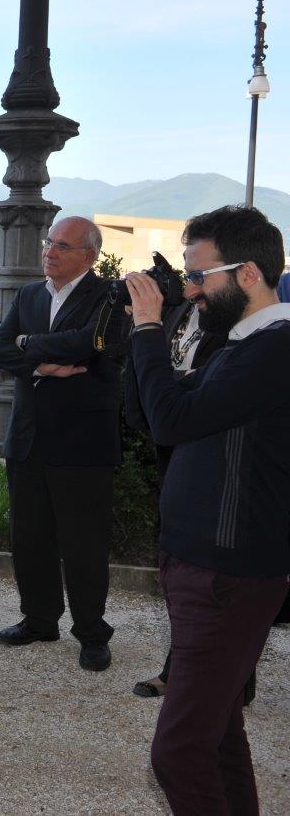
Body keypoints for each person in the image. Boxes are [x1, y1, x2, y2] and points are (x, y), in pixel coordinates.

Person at [123, 205, 290, 814]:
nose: (190, 289)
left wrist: (147, 330)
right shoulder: (242, 346)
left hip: (227, 571)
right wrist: (145, 336)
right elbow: (151, 414)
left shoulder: (272, 351)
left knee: (180, 751)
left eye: (199, 276)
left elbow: (171, 419)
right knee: (218, 732)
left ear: (248, 273)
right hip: (211, 566)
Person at [0, 216, 124, 672]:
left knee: (84, 544)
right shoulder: (29, 294)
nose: (49, 251)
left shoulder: (108, 296)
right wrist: (41, 365)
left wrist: (28, 342)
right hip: (29, 439)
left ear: (89, 255)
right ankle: (39, 619)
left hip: (83, 444)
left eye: (62, 245)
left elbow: (87, 344)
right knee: (30, 538)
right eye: (49, 243)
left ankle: (91, 633)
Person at [124, 289, 225, 700]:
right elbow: (153, 370)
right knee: (179, 566)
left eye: (198, 273)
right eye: (187, 270)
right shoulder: (181, 308)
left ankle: (229, 678)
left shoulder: (236, 321)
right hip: (170, 441)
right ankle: (180, 669)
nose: (188, 284)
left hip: (211, 448)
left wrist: (173, 387)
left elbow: (205, 389)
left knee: (213, 575)